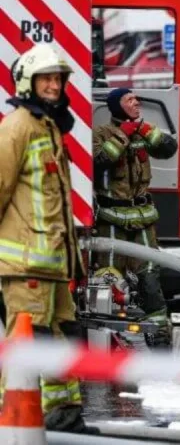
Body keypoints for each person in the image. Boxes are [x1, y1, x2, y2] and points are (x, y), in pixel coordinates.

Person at [0, 44, 95, 433]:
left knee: (63, 339)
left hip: (54, 265)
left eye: (58, 79)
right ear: (28, 82)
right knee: (27, 343)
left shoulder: (49, 126)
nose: (54, 86)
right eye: (47, 79)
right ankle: (12, 421)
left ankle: (65, 416)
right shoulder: (17, 127)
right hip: (26, 266)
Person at [91, 87, 178, 347]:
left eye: (135, 98)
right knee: (108, 280)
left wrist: (148, 131)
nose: (137, 102)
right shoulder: (101, 134)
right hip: (111, 220)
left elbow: (168, 149)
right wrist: (122, 136)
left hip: (143, 219)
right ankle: (106, 344)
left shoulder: (143, 131)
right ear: (117, 106)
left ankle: (160, 341)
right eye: (130, 99)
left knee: (149, 279)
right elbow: (100, 160)